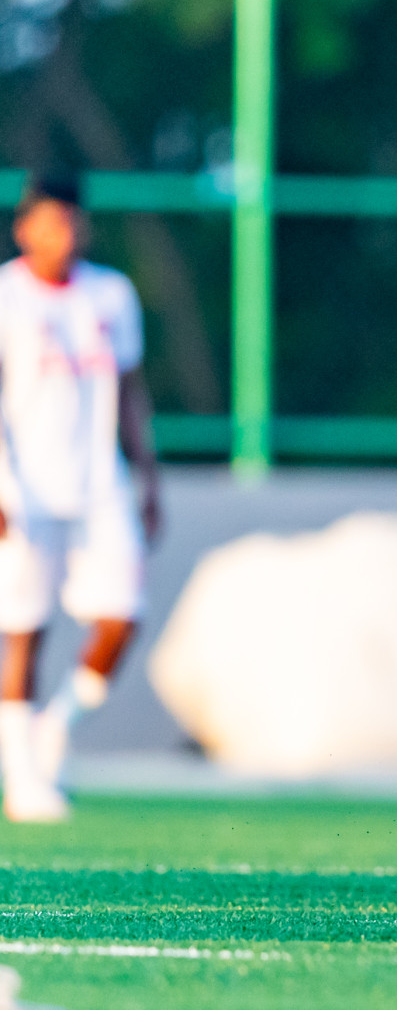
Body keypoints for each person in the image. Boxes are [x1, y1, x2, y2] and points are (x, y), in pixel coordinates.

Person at [0, 176, 160, 823]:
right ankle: (23, 779)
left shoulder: (111, 295)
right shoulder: (7, 295)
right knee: (25, 632)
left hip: (101, 486)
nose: (63, 236)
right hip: (25, 489)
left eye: (72, 223)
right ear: (25, 230)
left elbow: (129, 392)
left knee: (123, 617)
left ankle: (55, 728)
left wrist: (149, 476)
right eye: (50, 223)